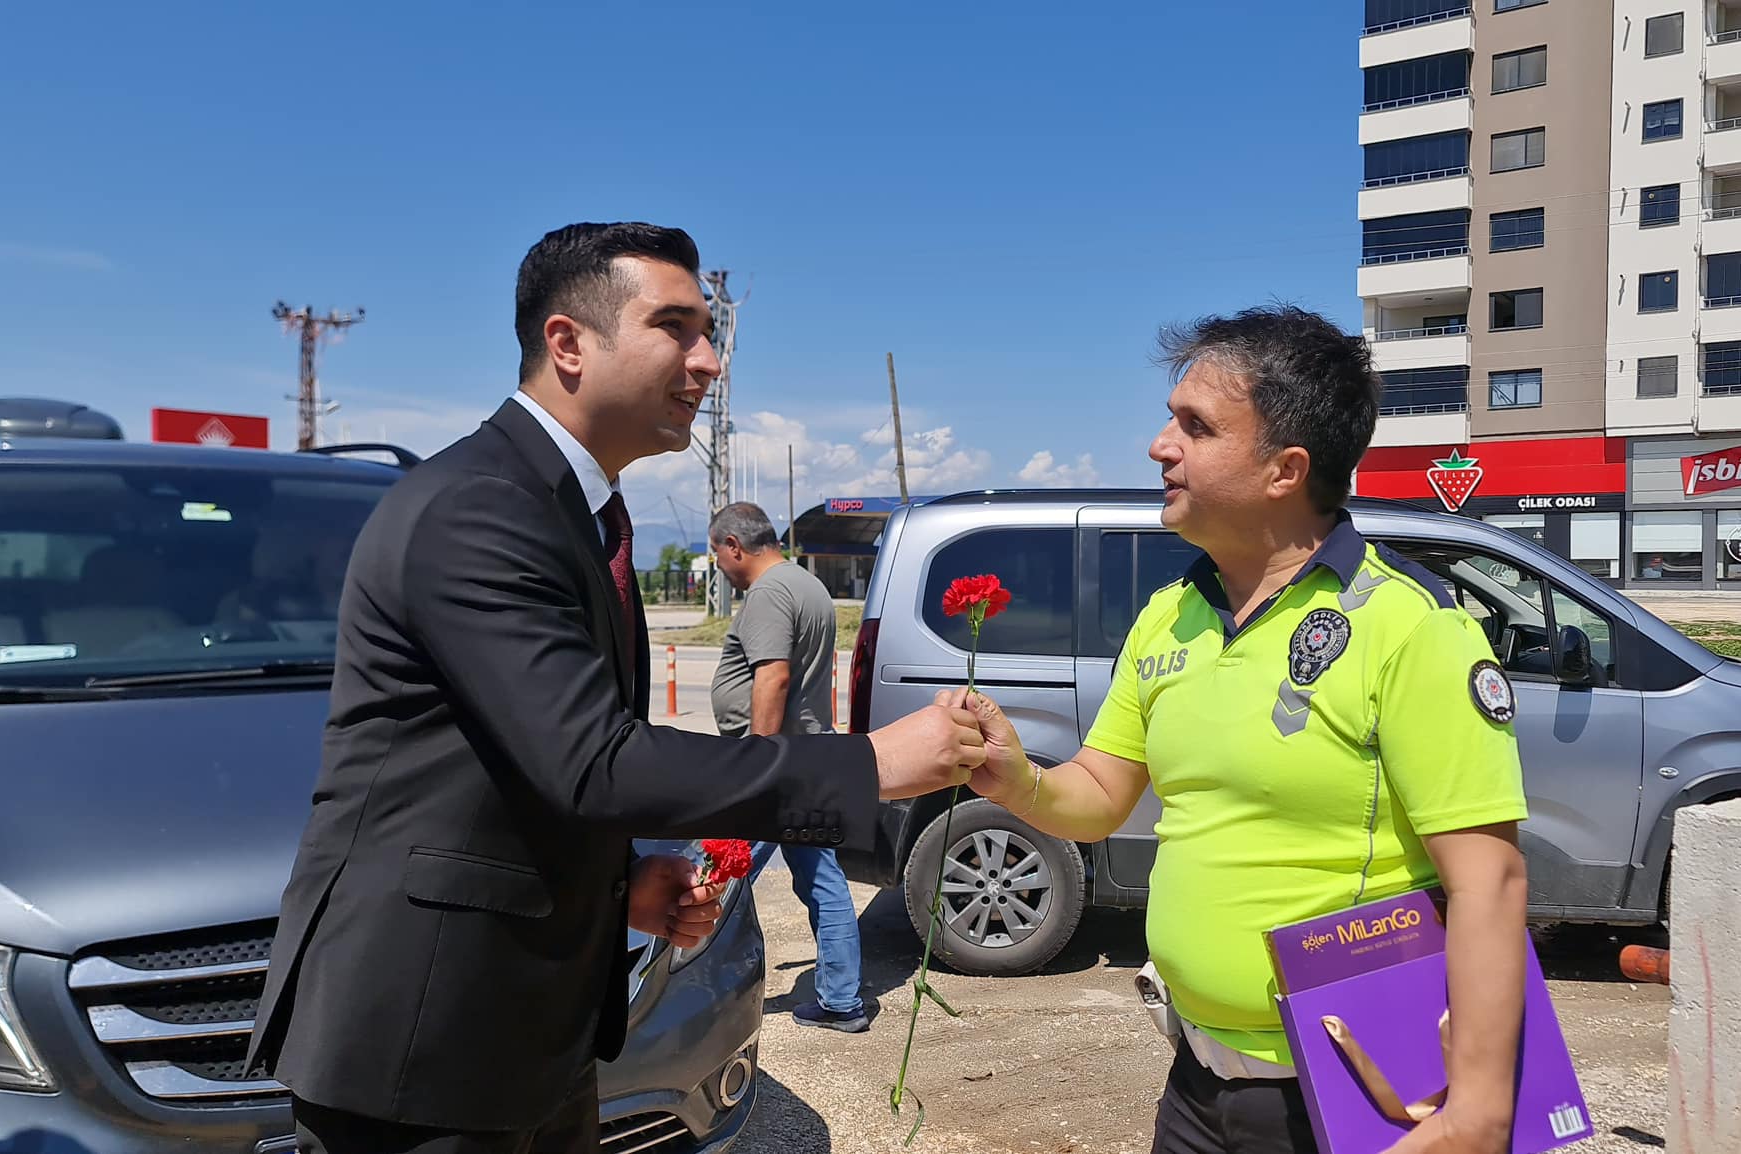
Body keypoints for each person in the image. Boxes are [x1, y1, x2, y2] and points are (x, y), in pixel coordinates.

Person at [246, 222, 987, 1154]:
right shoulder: (478, 508)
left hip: (526, 1030)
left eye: (707, 331)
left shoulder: (576, 509)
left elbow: (514, 770)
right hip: (426, 1038)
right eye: (675, 327)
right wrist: (864, 764)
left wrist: (620, 884)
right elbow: (590, 762)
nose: (709, 360)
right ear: (568, 344)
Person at [960, 305, 1531, 1154]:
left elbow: (1492, 881)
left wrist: (1482, 1108)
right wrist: (1018, 780)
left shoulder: (1409, 626)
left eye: (1195, 425)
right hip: (1194, 1077)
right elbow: (1101, 796)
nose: (1161, 445)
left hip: (1351, 1081)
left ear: (1284, 470)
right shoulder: (1169, 616)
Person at [707, 501, 869, 1033]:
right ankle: (841, 1000)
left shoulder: (771, 592)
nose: (718, 566)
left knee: (720, 876)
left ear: (734, 544)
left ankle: (687, 994)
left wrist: (757, 762)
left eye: (716, 553)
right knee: (822, 878)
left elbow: (772, 678)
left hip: (775, 765)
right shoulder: (807, 585)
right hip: (807, 757)